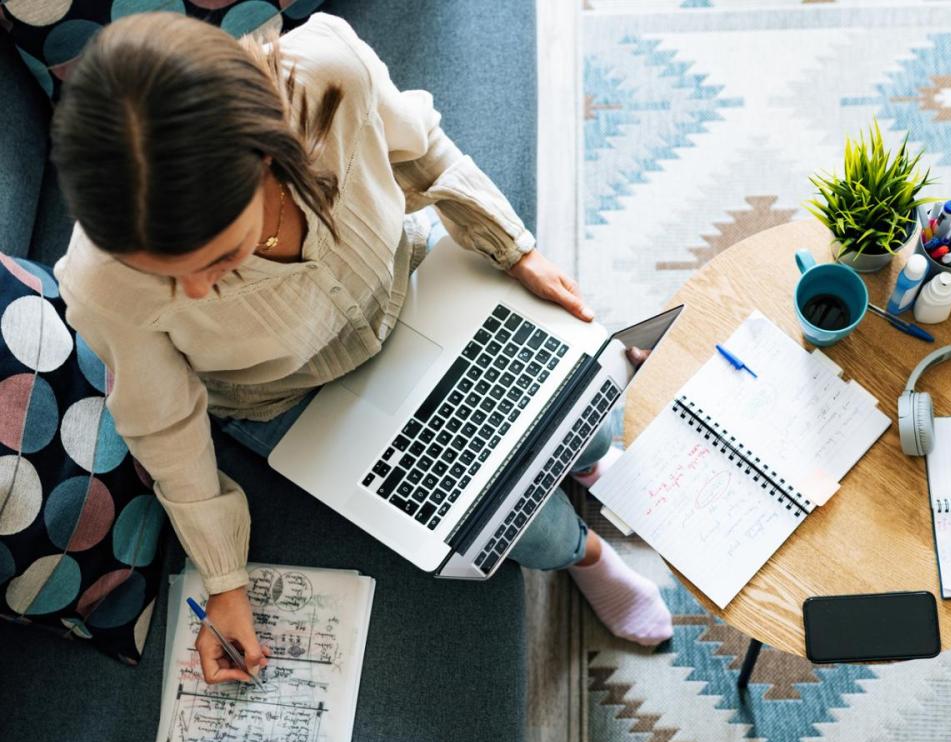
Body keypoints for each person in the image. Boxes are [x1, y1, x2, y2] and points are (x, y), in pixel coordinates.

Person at [50, 12, 672, 683]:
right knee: (532, 533)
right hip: (289, 401)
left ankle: (586, 468)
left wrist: (516, 251)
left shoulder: (330, 71)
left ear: (268, 156)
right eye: (166, 273)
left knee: (595, 427)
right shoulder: (100, 287)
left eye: (222, 258)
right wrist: (224, 581)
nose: (194, 295)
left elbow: (426, 151)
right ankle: (588, 558)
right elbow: (164, 423)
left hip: (414, 289)